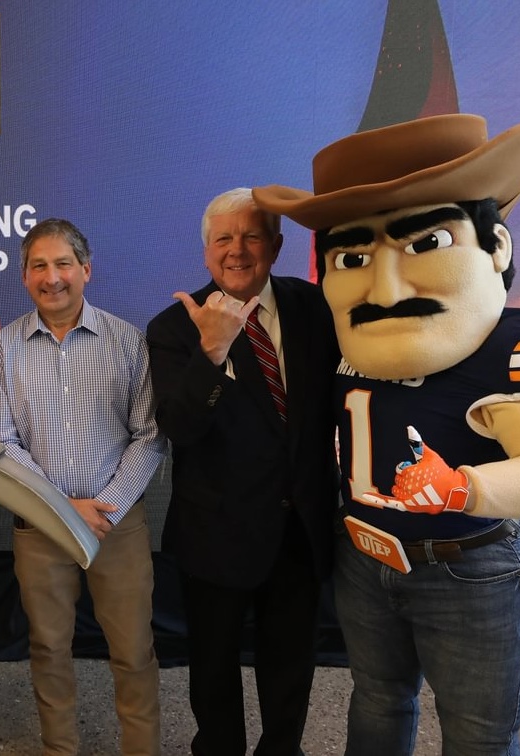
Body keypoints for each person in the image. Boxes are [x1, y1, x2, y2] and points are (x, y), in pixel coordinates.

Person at [252, 113, 520, 755]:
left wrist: (464, 486)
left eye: (425, 245)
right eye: (355, 257)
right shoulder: (335, 335)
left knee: (477, 734)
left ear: (496, 247)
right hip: (364, 557)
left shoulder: (512, 346)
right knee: (378, 702)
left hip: (471, 565)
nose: (385, 288)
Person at [145, 189, 340, 756]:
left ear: (276, 246)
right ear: (206, 252)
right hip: (216, 534)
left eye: (252, 236)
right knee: (212, 669)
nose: (237, 250)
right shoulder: (175, 327)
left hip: (299, 530)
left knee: (290, 666)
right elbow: (180, 429)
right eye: (223, 239)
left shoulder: (316, 309)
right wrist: (211, 351)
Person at [0, 218, 165, 756]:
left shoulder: (130, 343)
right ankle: (60, 749)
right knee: (48, 648)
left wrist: (103, 507)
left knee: (134, 651)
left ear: (86, 269)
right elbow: (2, 440)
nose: (52, 276)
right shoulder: (4, 347)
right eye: (38, 265)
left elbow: (150, 436)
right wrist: (62, 507)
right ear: (24, 276)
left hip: (116, 525)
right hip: (40, 528)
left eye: (63, 263)